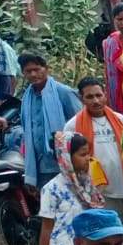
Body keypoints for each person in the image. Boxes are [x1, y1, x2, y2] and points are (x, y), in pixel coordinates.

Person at [66, 75, 123, 245]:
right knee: (110, 240)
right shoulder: (73, 125)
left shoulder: (120, 119)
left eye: (99, 95)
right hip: (100, 193)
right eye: (90, 97)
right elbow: (69, 162)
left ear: (105, 94)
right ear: (82, 99)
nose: (96, 100)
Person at [35, 130, 106, 245]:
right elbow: (46, 228)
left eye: (88, 153)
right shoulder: (51, 189)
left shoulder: (87, 185)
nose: (88, 158)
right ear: (66, 157)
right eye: (82, 154)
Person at [19, 52, 83, 192]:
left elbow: (80, 121)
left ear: (46, 68)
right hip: (40, 165)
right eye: (28, 71)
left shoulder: (63, 92)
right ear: (23, 73)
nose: (34, 74)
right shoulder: (26, 98)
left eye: (37, 69)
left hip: (64, 161)